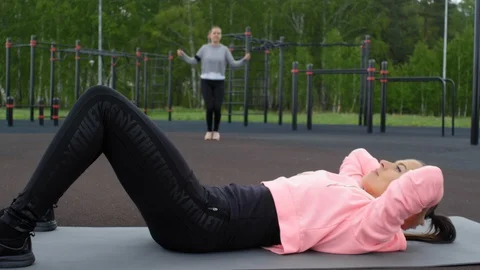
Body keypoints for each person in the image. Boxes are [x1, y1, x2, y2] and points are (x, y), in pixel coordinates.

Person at [0, 85, 456, 269]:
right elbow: (359, 157)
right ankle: (34, 210)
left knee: (103, 105)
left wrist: (414, 214)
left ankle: (15, 229)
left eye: (398, 170)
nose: (386, 163)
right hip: (206, 206)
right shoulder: (354, 186)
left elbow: (423, 183)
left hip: (202, 217)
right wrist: (388, 175)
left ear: (407, 205)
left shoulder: (371, 223)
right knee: (104, 111)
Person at [177, 25, 251, 141]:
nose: (216, 35)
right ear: (210, 35)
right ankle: (208, 131)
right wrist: (183, 56)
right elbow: (193, 61)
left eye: (219, 33)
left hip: (219, 81)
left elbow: (233, 64)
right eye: (214, 33)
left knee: (217, 107)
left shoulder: (224, 49)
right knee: (210, 106)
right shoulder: (204, 48)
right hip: (206, 81)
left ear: (220, 36)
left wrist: (244, 60)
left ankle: (216, 131)